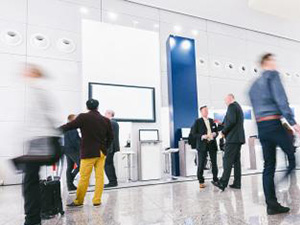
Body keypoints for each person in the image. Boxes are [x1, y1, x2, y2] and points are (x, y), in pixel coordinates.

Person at [249, 53, 300, 215]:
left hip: (262, 127)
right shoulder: (273, 76)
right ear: (266, 63)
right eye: (273, 61)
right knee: (292, 156)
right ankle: (280, 185)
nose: (275, 64)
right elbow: (281, 99)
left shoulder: (253, 86)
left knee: (268, 165)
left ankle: (271, 204)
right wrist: (292, 122)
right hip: (274, 123)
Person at [22, 65, 60, 225]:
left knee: (30, 182)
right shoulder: (38, 90)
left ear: (34, 73)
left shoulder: (36, 90)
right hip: (41, 139)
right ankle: (33, 218)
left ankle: (32, 219)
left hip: (39, 140)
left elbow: (47, 117)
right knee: (30, 180)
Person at [60, 99, 113, 207]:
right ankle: (97, 200)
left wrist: (55, 130)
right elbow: (111, 137)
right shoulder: (105, 120)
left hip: (89, 152)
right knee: (100, 176)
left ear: (87, 107)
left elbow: (69, 126)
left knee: (84, 177)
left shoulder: (83, 117)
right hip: (101, 152)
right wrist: (105, 147)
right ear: (98, 107)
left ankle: (79, 201)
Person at [212, 94, 245, 191]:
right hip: (238, 138)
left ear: (230, 98)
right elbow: (230, 121)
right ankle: (237, 183)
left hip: (233, 139)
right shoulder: (237, 107)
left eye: (225, 100)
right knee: (236, 161)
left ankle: (223, 182)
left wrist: (223, 131)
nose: (225, 102)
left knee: (227, 160)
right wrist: (221, 124)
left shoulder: (232, 106)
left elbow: (231, 122)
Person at [191, 106, 219, 189]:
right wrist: (202, 136)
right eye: (204, 110)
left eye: (207, 110)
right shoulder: (197, 121)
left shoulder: (212, 120)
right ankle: (201, 181)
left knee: (214, 163)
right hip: (202, 145)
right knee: (201, 163)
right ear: (201, 112)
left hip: (212, 144)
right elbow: (193, 133)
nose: (206, 112)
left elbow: (216, 131)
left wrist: (215, 134)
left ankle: (215, 179)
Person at [64, 114, 81, 191]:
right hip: (73, 150)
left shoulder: (66, 127)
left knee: (69, 167)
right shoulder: (72, 128)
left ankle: (70, 185)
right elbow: (75, 141)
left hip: (67, 150)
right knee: (81, 164)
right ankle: (70, 180)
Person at [104, 110, 120, 188]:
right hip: (112, 147)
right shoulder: (115, 122)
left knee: (107, 164)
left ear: (109, 114)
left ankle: (112, 181)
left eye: (105, 113)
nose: (104, 115)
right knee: (109, 164)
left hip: (110, 147)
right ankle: (113, 181)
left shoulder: (110, 122)